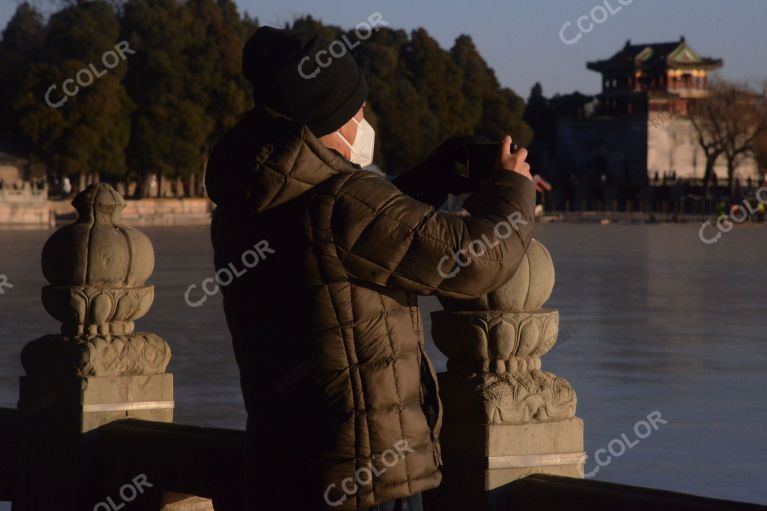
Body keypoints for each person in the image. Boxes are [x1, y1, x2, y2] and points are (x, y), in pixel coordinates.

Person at [205, 27, 536, 511]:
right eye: (356, 109)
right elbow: (476, 260)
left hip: (282, 466)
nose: (363, 118)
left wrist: (439, 174)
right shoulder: (341, 201)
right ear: (326, 119)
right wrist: (513, 189)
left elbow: (367, 233)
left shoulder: (244, 203)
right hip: (365, 474)